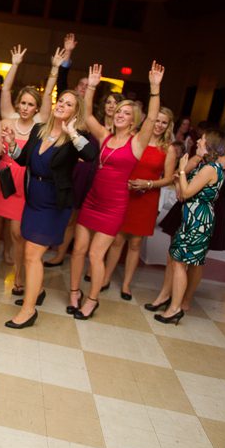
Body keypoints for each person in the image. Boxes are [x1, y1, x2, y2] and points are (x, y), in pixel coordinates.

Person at [68, 61, 164, 320]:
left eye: (126, 113)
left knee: (95, 255)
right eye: (118, 111)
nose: (120, 115)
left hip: (113, 207)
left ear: (133, 120)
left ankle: (92, 300)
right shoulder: (105, 136)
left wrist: (155, 88)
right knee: (78, 250)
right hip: (92, 200)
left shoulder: (138, 142)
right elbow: (88, 115)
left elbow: (152, 117)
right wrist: (91, 88)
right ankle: (74, 292)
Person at [5, 90, 97, 329]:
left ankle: (28, 311)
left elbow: (90, 156)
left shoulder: (76, 137)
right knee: (29, 249)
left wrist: (72, 132)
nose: (62, 105)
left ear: (76, 112)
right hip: (33, 199)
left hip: (54, 204)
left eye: (69, 104)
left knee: (32, 255)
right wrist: (12, 144)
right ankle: (38, 291)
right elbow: (23, 160)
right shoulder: (39, 129)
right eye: (61, 101)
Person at [0, 45, 64, 283]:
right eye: (23, 103)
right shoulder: (8, 118)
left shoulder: (40, 124)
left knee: (17, 232)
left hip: (24, 182)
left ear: (37, 108)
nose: (26, 108)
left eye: (30, 104)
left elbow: (49, 94)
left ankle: (18, 275)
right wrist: (14, 64)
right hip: (2, 177)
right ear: (18, 104)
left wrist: (55, 69)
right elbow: (5, 89)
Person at [148, 129, 225, 312]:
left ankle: (184, 299)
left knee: (195, 261)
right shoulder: (207, 156)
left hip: (209, 212)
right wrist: (182, 179)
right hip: (188, 205)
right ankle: (165, 295)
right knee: (173, 255)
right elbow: (179, 176)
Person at [101, 107, 177, 299]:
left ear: (168, 126)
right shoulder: (135, 139)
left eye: (164, 122)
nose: (159, 125)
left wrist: (148, 184)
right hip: (125, 194)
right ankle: (106, 278)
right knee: (117, 239)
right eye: (157, 120)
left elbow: (169, 179)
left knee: (135, 243)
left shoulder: (168, 149)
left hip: (147, 199)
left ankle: (126, 285)